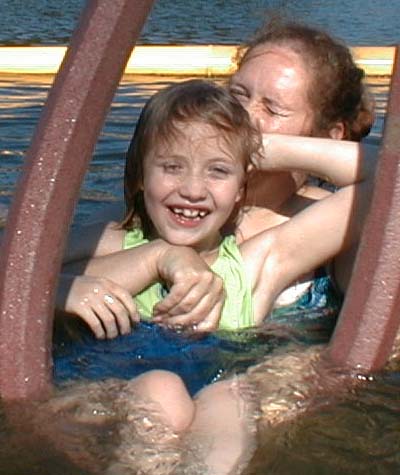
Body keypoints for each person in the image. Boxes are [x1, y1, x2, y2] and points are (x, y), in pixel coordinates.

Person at [55, 77, 374, 474]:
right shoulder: (110, 241)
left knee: (233, 394)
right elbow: (12, 268)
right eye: (172, 166)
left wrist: (259, 148)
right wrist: (61, 291)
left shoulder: (255, 266)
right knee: (163, 389)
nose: (193, 189)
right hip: (96, 398)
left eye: (218, 171)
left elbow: (387, 185)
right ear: (139, 177)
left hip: (209, 400)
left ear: (242, 187)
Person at [61, 19, 376, 335]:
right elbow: (20, 263)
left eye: (273, 109)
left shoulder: (338, 227)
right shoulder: (153, 210)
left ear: (329, 137)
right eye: (238, 95)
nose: (245, 116)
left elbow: (391, 181)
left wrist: (272, 148)